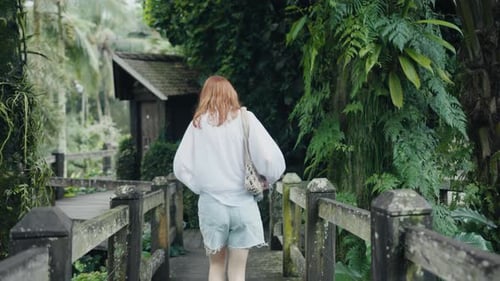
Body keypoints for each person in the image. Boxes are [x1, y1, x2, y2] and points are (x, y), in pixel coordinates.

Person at [173, 75, 285, 281]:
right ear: (231, 94)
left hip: (212, 205)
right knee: (237, 272)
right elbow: (269, 158)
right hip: (243, 205)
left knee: (216, 268)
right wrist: (267, 179)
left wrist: (200, 187)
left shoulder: (198, 124)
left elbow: (180, 167)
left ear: (205, 95)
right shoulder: (246, 119)